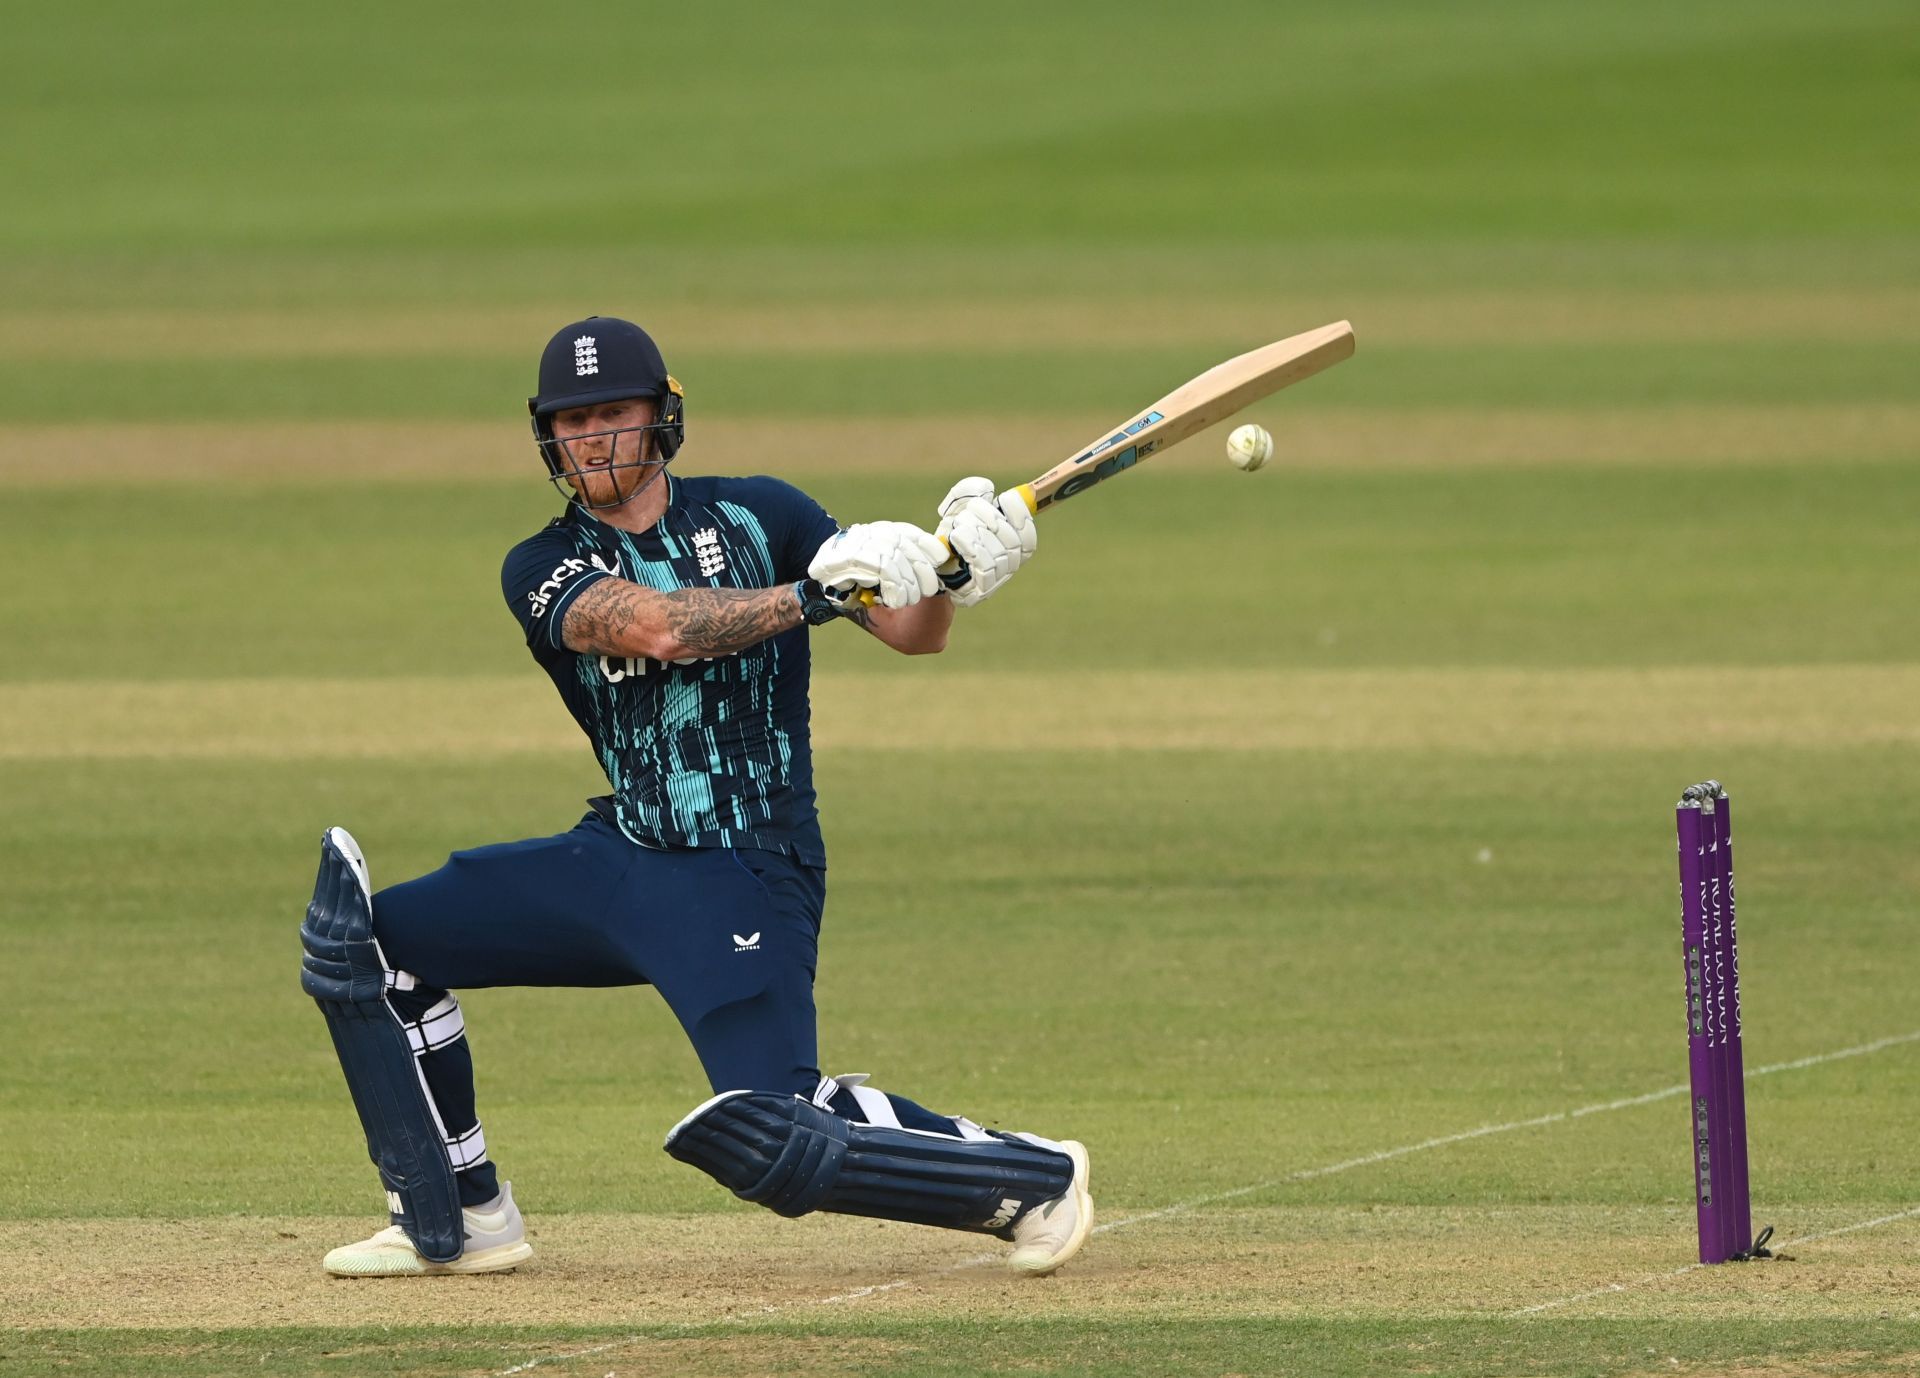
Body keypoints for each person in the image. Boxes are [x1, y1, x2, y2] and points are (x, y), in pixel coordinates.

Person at [298, 316, 1091, 1279]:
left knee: (778, 1132)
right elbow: (656, 628)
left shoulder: (764, 515)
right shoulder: (541, 565)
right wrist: (815, 597)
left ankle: (1029, 1177)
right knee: (370, 946)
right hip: (620, 859)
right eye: (571, 420)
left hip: (747, 870)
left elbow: (911, 632)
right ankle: (462, 1214)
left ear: (663, 418)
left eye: (613, 414)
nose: (591, 438)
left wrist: (955, 573)